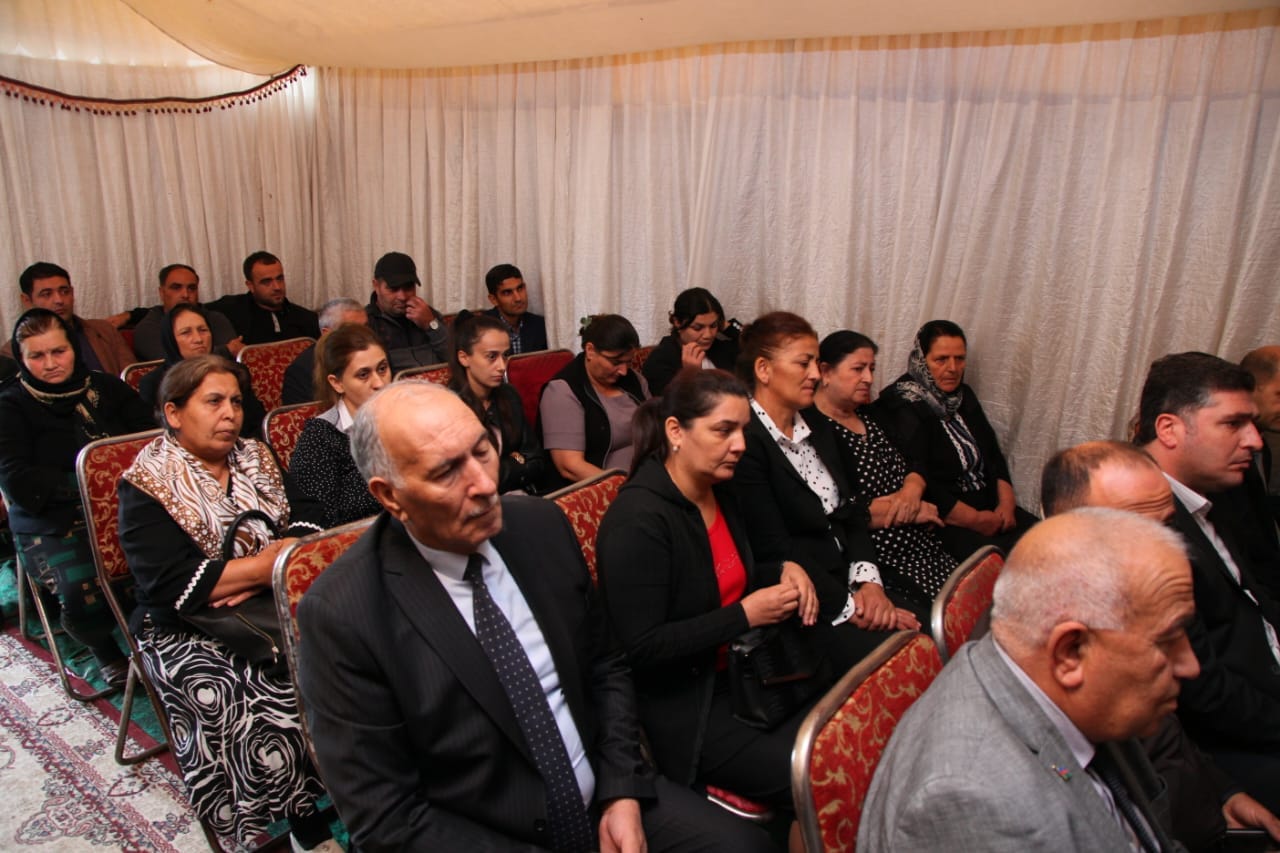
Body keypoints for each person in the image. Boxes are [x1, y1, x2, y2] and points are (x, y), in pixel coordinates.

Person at [296, 380, 776, 853]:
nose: (486, 485)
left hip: (606, 798)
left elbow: (607, 666)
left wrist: (622, 791)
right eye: (446, 472)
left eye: (482, 451)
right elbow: (388, 818)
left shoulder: (539, 526)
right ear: (390, 496)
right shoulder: (345, 614)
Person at [859, 508, 1196, 852]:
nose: (1190, 666)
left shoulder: (1066, 688)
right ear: (1070, 652)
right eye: (1167, 640)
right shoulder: (975, 799)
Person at [117, 355, 336, 852]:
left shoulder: (254, 456)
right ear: (174, 413)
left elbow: (309, 516)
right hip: (182, 626)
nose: (230, 413)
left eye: (236, 401)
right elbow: (170, 584)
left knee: (357, 652)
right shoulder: (148, 481)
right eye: (213, 401)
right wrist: (264, 567)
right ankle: (306, 827)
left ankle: (365, 788)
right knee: (264, 694)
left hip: (268, 603)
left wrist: (259, 568)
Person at [597, 368, 821, 826]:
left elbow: (726, 574)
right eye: (723, 430)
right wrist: (744, 615)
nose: (740, 445)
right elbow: (641, 648)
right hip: (692, 706)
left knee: (844, 740)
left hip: (750, 674)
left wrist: (784, 569)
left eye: (743, 430)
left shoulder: (720, 489)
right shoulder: (638, 520)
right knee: (819, 776)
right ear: (676, 432)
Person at [1040, 440, 1280, 850]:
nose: (1167, 551)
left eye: (1168, 527)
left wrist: (1223, 794)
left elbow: (1165, 739)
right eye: (1138, 533)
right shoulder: (1064, 642)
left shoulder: (1123, 603)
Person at [727, 312, 919, 656]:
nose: (816, 374)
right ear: (764, 370)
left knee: (928, 628)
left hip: (850, 577)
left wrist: (869, 582)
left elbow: (852, 510)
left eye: (816, 363)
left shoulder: (816, 422)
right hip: (804, 600)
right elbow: (774, 549)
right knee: (907, 654)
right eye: (804, 363)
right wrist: (851, 606)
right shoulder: (746, 443)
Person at [1138, 351, 1280, 811]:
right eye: (1233, 424)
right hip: (1230, 743)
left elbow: (1256, 596)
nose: (1254, 440)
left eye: (1252, 423)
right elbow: (1202, 690)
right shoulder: (1144, 518)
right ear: (1169, 429)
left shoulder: (1212, 488)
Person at [0, 308, 153, 686]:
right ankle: (103, 647)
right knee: (83, 593)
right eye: (37, 355)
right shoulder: (10, 406)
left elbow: (149, 441)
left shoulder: (106, 388)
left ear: (74, 348)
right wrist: (91, 483)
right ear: (21, 358)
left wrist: (112, 486)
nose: (51, 363)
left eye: (59, 351)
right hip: (52, 516)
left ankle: (157, 639)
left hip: (124, 503)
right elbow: (17, 480)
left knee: (169, 563)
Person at [813, 330, 956, 608]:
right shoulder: (816, 432)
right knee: (943, 617)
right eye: (858, 369)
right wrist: (911, 512)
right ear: (826, 372)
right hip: (879, 559)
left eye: (872, 369)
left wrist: (912, 491)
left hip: (925, 545)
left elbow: (916, 461)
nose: (868, 378)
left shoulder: (872, 414)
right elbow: (840, 512)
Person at [874, 320, 1037, 560]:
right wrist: (975, 520)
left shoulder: (963, 396)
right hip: (947, 517)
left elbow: (992, 453)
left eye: (959, 358)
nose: (953, 368)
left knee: (1051, 542)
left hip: (991, 504)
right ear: (921, 359)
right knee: (997, 565)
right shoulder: (901, 403)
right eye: (941, 359)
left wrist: (1006, 504)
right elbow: (918, 474)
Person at [289, 324, 388, 528]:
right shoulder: (320, 439)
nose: (379, 383)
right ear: (337, 383)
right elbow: (322, 519)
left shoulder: (407, 417)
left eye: (382, 369)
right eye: (363, 375)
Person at [539, 314, 651, 484]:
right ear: (590, 351)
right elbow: (570, 466)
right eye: (616, 362)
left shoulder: (634, 380)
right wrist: (626, 488)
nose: (623, 371)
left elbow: (656, 430)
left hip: (645, 476)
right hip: (601, 488)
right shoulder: (562, 391)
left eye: (628, 362)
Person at [448, 312, 549, 494]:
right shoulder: (450, 406)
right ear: (464, 358)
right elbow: (468, 477)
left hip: (520, 495)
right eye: (491, 357)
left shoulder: (509, 395)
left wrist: (502, 467)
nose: (502, 366)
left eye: (505, 355)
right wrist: (516, 461)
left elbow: (537, 461)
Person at [137, 303, 266, 440]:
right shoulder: (154, 383)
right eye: (186, 332)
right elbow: (157, 435)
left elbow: (257, 423)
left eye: (203, 330)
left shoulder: (233, 373)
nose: (198, 339)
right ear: (170, 339)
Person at [1, 262, 136, 376]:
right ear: (27, 300)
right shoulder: (11, 352)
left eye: (64, 291)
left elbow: (132, 378)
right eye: (47, 294)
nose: (59, 300)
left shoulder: (104, 330)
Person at [130, 264, 242, 361]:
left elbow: (233, 356)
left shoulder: (215, 318)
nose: (185, 294)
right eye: (176, 288)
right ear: (162, 292)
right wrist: (225, 350)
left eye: (192, 288)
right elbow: (172, 361)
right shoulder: (148, 326)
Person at [642, 288, 739, 397]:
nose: (708, 335)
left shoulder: (721, 348)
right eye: (697, 328)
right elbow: (670, 403)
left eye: (713, 326)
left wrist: (728, 327)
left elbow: (753, 346)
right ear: (677, 322)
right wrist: (691, 375)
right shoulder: (660, 360)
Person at [207, 251, 320, 344]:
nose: (277, 287)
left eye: (280, 279)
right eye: (267, 281)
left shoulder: (307, 319)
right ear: (250, 285)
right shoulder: (231, 309)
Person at [365, 251, 449, 375]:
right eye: (393, 289)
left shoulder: (426, 313)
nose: (402, 296)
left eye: (408, 287)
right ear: (376, 286)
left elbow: (454, 357)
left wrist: (431, 324)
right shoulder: (367, 323)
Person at [281, 297, 368, 406]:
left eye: (366, 328)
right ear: (327, 334)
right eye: (353, 330)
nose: (364, 336)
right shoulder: (302, 372)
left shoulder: (373, 355)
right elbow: (306, 414)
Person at [484, 263, 548, 354]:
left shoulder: (539, 325)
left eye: (520, 288)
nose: (518, 298)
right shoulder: (481, 329)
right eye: (507, 293)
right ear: (493, 299)